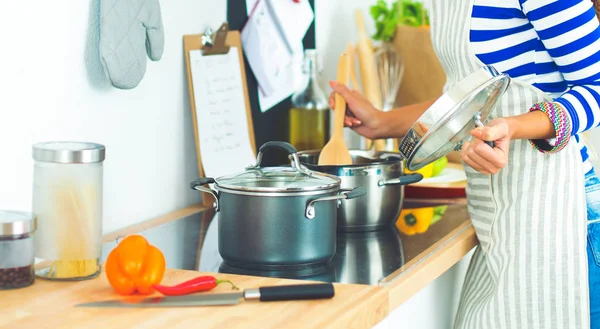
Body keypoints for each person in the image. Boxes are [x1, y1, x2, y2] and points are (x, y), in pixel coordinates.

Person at [328, 0, 600, 328]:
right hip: (501, 219)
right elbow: (468, 99)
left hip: (563, 219)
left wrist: (513, 127)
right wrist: (381, 121)